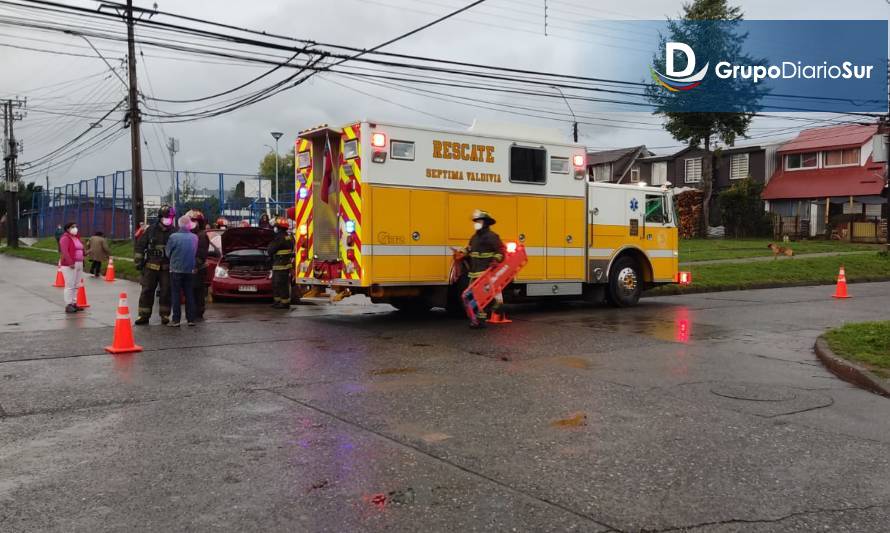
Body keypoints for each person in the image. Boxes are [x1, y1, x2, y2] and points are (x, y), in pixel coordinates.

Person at [463, 209, 505, 328]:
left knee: (481, 296)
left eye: (479, 221)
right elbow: (469, 249)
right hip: (474, 272)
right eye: (476, 221)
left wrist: (496, 260)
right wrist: (462, 253)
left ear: (486, 223)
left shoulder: (492, 237)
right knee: (473, 296)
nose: (476, 223)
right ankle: (489, 312)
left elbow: (501, 250)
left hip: (485, 272)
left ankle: (481, 319)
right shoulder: (474, 237)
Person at [134, 206, 175, 325]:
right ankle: (143, 315)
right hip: (151, 266)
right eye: (166, 218)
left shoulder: (174, 231)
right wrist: (138, 261)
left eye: (170, 218)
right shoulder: (151, 230)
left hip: (166, 267)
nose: (168, 220)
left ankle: (165, 315)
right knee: (147, 291)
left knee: (166, 292)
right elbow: (140, 246)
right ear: (160, 217)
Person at [166, 213, 199, 327]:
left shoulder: (173, 237)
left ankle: (176, 320)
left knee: (176, 295)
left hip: (175, 269)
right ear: (190, 225)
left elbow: (167, 253)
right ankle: (191, 319)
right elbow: (194, 252)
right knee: (189, 294)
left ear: (179, 224)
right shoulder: (195, 237)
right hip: (189, 269)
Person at [267, 216, 295, 309]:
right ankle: (278, 301)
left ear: (278, 227)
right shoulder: (289, 236)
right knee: (278, 283)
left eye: (276, 226)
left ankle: (284, 303)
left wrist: (269, 248)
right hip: (284, 263)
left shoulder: (279, 237)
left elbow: (271, 249)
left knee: (280, 284)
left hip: (280, 264)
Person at [58, 222, 85, 314]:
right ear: (67, 229)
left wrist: (87, 252)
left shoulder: (77, 238)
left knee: (76, 285)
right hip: (70, 264)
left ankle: (74, 303)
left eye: (76, 226)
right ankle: (68, 305)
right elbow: (65, 251)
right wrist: (70, 262)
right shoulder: (65, 238)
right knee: (70, 285)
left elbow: (81, 249)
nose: (75, 228)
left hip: (79, 263)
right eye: (73, 227)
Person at [190, 210, 210, 321]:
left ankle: (198, 312)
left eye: (195, 221)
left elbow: (201, 254)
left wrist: (194, 265)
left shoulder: (201, 235)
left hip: (198, 268)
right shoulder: (191, 234)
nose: (193, 224)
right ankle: (194, 311)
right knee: (192, 291)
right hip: (192, 267)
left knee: (197, 291)